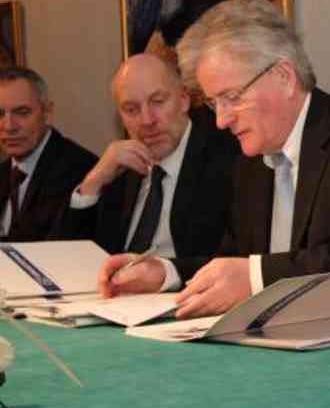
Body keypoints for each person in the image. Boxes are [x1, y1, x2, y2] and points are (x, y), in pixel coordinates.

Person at [97, 0, 330, 325]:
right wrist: (166, 272)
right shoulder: (251, 162)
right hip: (296, 345)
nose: (221, 120)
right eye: (212, 103)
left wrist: (257, 277)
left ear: (284, 77)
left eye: (231, 98)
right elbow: (236, 261)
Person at [54, 53, 238, 260]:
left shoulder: (227, 160)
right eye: (131, 109)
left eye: (158, 102)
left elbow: (229, 258)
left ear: (184, 100)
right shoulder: (120, 168)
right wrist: (93, 182)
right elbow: (67, 259)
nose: (147, 120)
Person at [0, 66, 96, 241]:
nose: (8, 126)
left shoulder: (80, 170)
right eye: (0, 114)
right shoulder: (4, 171)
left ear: (47, 114)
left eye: (22, 112)